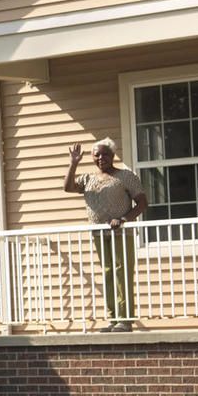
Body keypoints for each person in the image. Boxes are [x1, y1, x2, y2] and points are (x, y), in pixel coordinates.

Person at [63, 138, 148, 329]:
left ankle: (125, 320)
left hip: (121, 233)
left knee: (122, 272)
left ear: (113, 155)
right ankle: (114, 319)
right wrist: (73, 164)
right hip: (100, 234)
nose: (101, 158)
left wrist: (124, 219)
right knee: (109, 273)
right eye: (97, 155)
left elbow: (142, 203)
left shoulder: (125, 177)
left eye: (105, 154)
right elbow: (68, 187)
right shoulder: (88, 179)